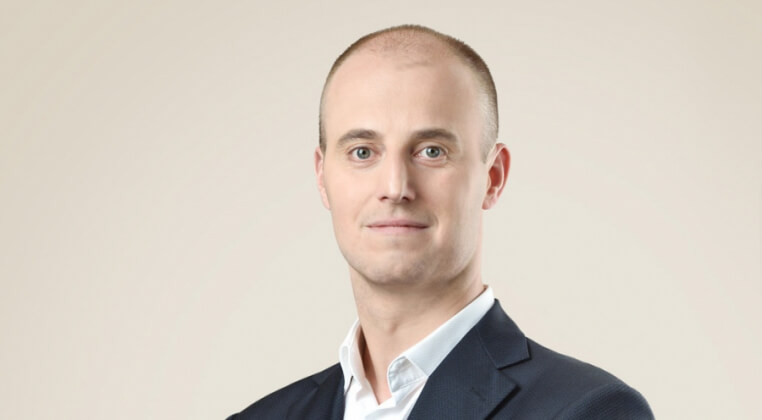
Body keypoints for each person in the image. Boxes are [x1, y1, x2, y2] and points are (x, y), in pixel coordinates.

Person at [228, 24, 653, 419]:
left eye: (431, 151)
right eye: (362, 152)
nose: (395, 187)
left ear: (493, 177)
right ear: (322, 178)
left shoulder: (590, 411)